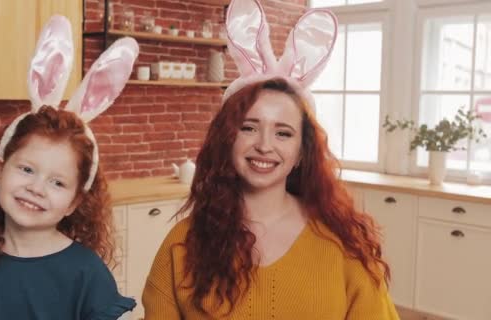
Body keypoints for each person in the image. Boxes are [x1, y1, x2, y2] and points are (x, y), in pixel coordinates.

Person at [141, 1, 399, 319]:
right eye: (249, 127)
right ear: (228, 139)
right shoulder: (183, 244)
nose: (264, 145)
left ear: (303, 152)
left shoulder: (345, 243)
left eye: (283, 133)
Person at [0, 16, 139, 320]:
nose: (36, 188)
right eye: (26, 170)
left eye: (58, 183)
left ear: (75, 202)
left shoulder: (88, 274)